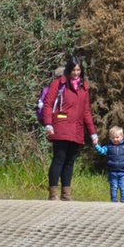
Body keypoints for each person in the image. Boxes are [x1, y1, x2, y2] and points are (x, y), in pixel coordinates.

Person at [42, 56, 98, 201]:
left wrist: (93, 133)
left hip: (77, 129)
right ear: (68, 70)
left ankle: (66, 194)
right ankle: (53, 193)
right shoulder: (58, 83)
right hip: (60, 126)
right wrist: (48, 123)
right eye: (73, 70)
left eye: (78, 70)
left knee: (70, 162)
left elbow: (86, 112)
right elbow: (48, 104)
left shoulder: (83, 87)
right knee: (59, 159)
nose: (76, 73)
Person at [95, 126, 124, 203]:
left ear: (122, 137)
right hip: (112, 171)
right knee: (113, 187)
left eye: (117, 137)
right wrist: (96, 146)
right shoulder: (108, 146)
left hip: (123, 171)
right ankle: (113, 201)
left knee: (123, 187)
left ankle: (123, 201)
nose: (115, 139)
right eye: (113, 138)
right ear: (110, 138)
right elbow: (101, 151)